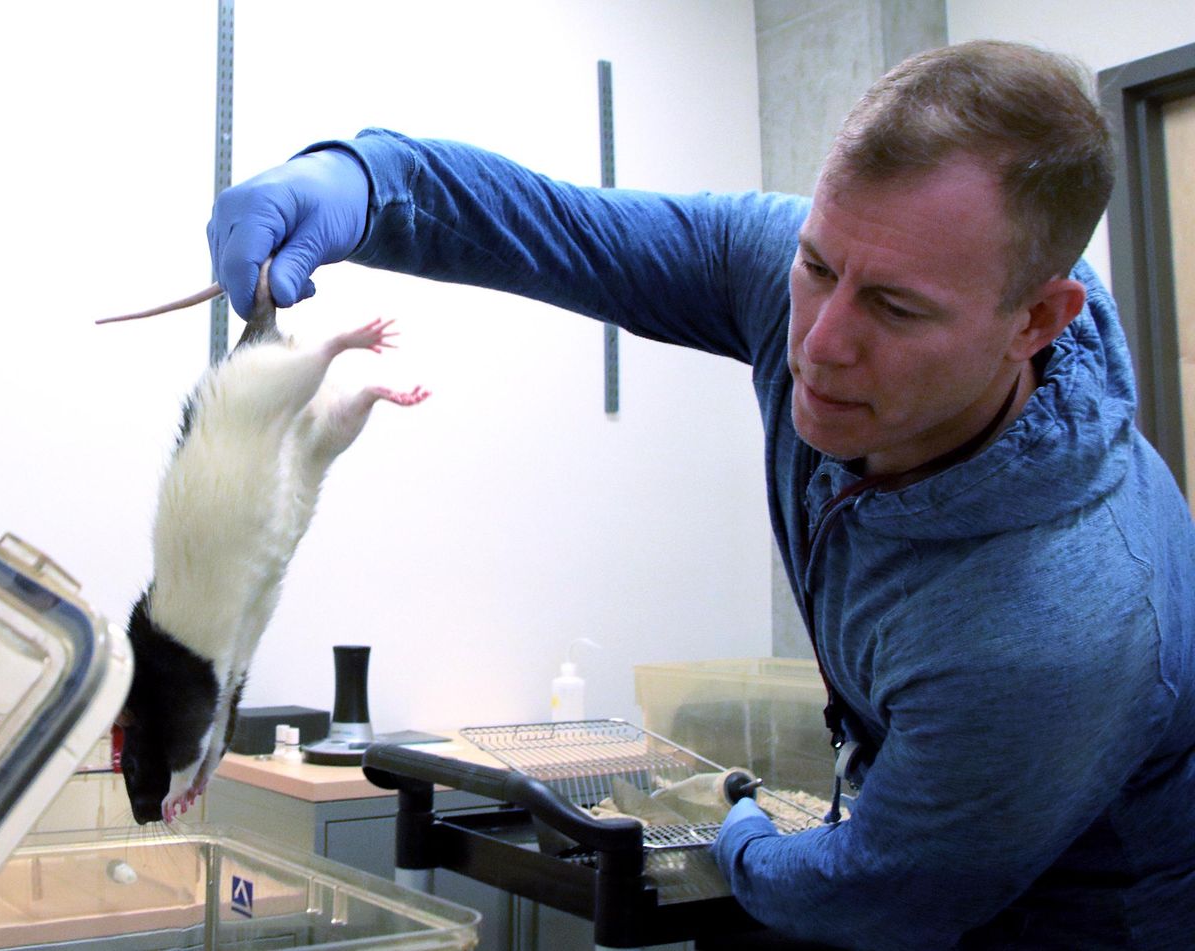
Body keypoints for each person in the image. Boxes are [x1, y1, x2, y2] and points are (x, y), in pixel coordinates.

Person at [207, 39, 1195, 950]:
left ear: (1038, 319)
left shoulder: (1056, 627)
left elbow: (873, 891)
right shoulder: (841, 278)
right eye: (816, 265)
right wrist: (365, 183)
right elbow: (554, 228)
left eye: (895, 309)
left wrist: (743, 829)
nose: (818, 344)